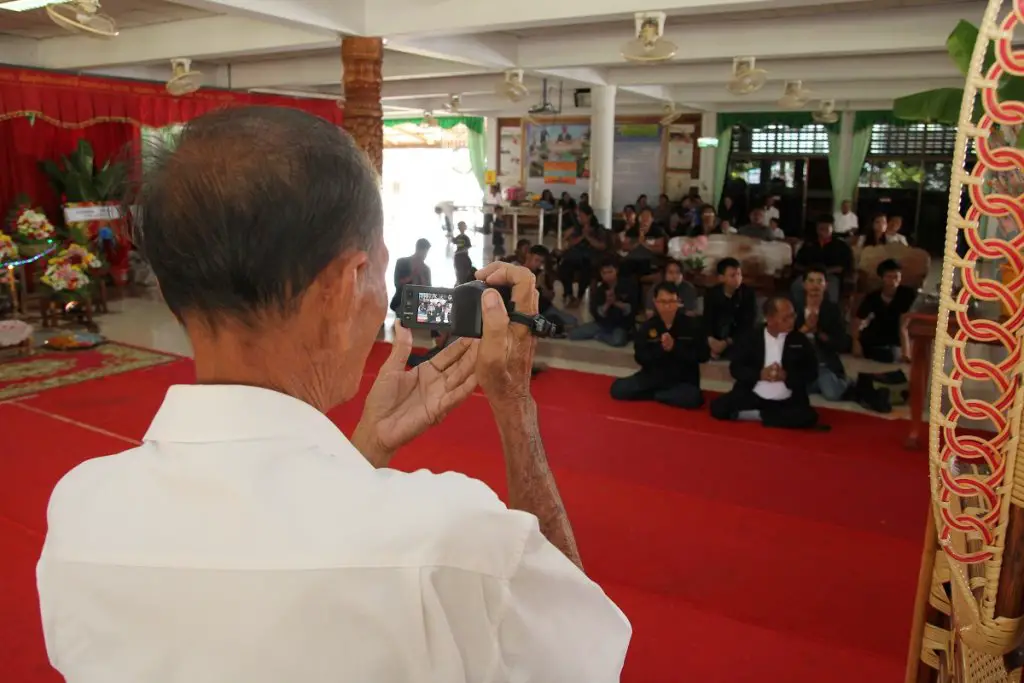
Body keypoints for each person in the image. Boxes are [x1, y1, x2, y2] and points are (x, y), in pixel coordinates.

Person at [36, 107, 630, 683]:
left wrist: (362, 451)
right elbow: (579, 652)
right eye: (376, 270)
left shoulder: (80, 509)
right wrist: (514, 406)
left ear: (168, 289)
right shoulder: (450, 539)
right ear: (348, 284)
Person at [710, 296, 823, 430]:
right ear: (769, 319)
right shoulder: (751, 337)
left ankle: (759, 415)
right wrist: (759, 374)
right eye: (785, 318)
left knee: (808, 417)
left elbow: (812, 373)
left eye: (793, 316)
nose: (791, 321)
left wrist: (786, 376)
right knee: (718, 408)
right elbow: (736, 369)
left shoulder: (800, 340)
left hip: (787, 398)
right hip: (754, 393)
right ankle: (771, 417)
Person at [610, 282, 709, 408]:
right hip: (653, 377)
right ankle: (661, 395)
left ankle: (655, 395)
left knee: (694, 398)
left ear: (678, 301)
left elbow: (703, 355)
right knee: (618, 389)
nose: (667, 306)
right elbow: (640, 357)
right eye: (662, 302)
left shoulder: (692, 325)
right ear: (655, 302)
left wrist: (675, 347)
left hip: (682, 379)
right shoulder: (647, 327)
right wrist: (660, 349)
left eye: (671, 301)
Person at [795, 266, 852, 401]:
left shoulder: (833, 310)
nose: (815, 285)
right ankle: (817, 383)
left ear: (826, 285)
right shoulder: (795, 307)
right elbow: (785, 339)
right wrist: (805, 328)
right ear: (804, 284)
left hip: (823, 362)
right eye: (811, 281)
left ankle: (847, 382)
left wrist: (817, 332)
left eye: (819, 281)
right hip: (799, 361)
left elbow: (841, 343)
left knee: (832, 394)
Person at [852, 258, 916, 363]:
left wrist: (906, 352)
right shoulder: (873, 296)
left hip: (897, 332)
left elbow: (903, 325)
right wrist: (856, 343)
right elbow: (858, 319)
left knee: (890, 356)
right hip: (878, 330)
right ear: (882, 278)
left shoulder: (907, 294)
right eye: (889, 277)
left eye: (896, 277)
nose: (893, 281)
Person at [568, 260, 635, 347]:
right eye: (604, 273)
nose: (608, 275)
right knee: (574, 334)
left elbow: (631, 309)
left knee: (618, 341)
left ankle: (600, 336)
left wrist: (616, 303)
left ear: (616, 271)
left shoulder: (628, 286)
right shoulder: (600, 290)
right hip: (603, 323)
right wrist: (607, 304)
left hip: (621, 325)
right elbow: (596, 312)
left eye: (610, 272)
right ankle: (601, 334)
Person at [790, 214, 853, 305]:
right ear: (816, 229)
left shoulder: (841, 246)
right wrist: (808, 271)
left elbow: (844, 266)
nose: (823, 232)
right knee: (796, 286)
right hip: (809, 275)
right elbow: (797, 263)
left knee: (831, 291)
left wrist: (824, 271)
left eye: (826, 229)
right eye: (821, 229)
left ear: (832, 228)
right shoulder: (809, 244)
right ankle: (801, 312)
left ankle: (829, 314)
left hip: (830, 277)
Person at [703, 257, 757, 359]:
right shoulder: (712, 293)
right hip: (716, 335)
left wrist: (727, 342)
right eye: (732, 275)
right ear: (721, 278)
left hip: (736, 337)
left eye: (739, 274)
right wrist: (711, 339)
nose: (737, 278)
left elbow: (748, 323)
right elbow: (707, 319)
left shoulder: (748, 294)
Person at [525, 244, 577, 332]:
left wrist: (543, 285)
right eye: (536, 260)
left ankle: (551, 326)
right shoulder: (517, 272)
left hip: (545, 308)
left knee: (573, 321)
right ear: (528, 256)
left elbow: (550, 297)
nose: (538, 264)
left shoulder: (542, 274)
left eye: (541, 262)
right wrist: (536, 285)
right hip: (528, 311)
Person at [390, 237, 431, 313]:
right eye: (424, 252)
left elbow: (429, 290)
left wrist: (421, 274)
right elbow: (397, 283)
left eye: (426, 253)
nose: (425, 255)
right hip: (401, 303)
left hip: (419, 306)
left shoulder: (426, 269)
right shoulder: (401, 262)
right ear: (418, 250)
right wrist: (412, 276)